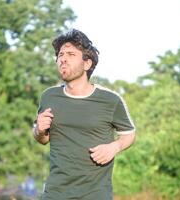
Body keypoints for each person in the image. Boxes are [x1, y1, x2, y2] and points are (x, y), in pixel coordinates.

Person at [33, 29, 136, 200]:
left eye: (71, 54)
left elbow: (129, 134)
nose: (63, 59)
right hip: (55, 194)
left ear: (87, 64)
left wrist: (113, 147)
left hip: (95, 194)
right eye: (60, 54)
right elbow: (43, 139)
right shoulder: (49, 96)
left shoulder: (110, 100)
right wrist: (39, 130)